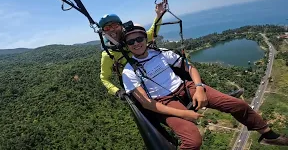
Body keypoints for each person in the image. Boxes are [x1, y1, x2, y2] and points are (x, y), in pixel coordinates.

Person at [121, 24, 288, 149]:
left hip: (186, 87)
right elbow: (146, 103)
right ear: (127, 46)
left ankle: (268, 134)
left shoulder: (161, 53)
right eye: (131, 41)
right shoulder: (129, 71)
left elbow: (190, 67)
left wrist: (199, 88)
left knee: (238, 104)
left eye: (139, 38)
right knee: (193, 141)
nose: (136, 43)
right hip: (163, 102)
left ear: (145, 39)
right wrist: (184, 113)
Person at [99, 3, 165, 98]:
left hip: (153, 72)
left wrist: (159, 15)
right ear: (104, 33)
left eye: (114, 25)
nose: (112, 30)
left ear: (121, 26)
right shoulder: (108, 54)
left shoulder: (132, 38)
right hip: (135, 85)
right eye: (107, 28)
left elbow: (150, 34)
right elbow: (104, 77)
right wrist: (116, 91)